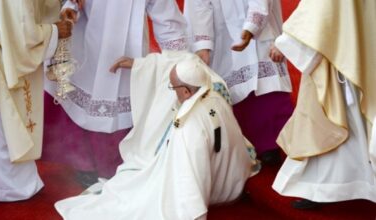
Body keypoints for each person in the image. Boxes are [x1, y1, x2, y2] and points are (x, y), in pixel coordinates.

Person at [55, 51, 258, 220]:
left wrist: (192, 213)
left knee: (138, 193)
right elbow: (180, 61)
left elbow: (192, 174)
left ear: (187, 91)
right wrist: (137, 65)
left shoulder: (188, 127)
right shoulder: (213, 94)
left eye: (173, 88)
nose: (172, 91)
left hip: (210, 189)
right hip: (231, 181)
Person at [42, 0, 189, 185]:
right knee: (83, 90)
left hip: (124, 46)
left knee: (115, 96)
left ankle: (114, 165)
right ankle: (84, 164)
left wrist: (181, 59)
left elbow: (165, 15)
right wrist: (70, 8)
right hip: (87, 37)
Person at [271, 0, 376, 209]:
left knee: (335, 117)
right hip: (348, 49)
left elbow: (321, 9)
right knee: (348, 119)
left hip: (338, 54)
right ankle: (326, 188)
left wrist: (286, 42)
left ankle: (331, 187)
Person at [183, 0, 294, 165]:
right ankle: (246, 147)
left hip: (258, 30)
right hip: (220, 34)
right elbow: (198, 6)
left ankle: (274, 144)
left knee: (266, 84)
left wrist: (251, 27)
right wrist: (203, 45)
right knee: (230, 86)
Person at [0, 0, 72, 201]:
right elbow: (23, 34)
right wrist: (54, 30)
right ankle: (4, 187)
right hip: (3, 63)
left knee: (0, 125)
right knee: (6, 126)